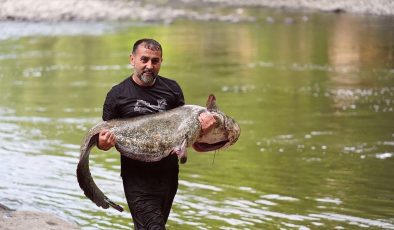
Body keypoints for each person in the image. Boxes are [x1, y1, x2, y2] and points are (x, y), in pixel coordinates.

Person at [97, 38, 215, 229]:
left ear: (161, 61)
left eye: (155, 61)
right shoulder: (117, 95)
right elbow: (104, 141)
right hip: (136, 179)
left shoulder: (173, 89)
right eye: (144, 60)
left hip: (168, 176)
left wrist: (204, 129)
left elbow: (185, 135)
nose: (149, 66)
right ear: (132, 59)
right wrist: (104, 144)